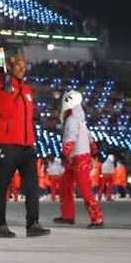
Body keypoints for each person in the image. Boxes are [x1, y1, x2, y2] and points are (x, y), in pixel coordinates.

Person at [0, 53, 50, 238]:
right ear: (10, 68)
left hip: (27, 146)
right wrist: (6, 88)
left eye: (24, 65)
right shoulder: (0, 89)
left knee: (32, 187)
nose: (23, 68)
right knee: (2, 187)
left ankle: (33, 224)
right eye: (19, 65)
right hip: (7, 145)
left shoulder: (27, 90)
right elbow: (5, 113)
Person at [53, 90, 104, 228]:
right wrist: (94, 151)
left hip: (77, 157)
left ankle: (97, 218)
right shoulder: (81, 121)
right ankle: (68, 216)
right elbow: (90, 138)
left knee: (84, 189)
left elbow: (71, 136)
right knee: (65, 185)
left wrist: (65, 152)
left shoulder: (72, 120)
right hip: (79, 157)